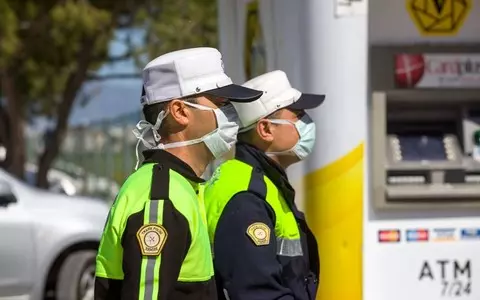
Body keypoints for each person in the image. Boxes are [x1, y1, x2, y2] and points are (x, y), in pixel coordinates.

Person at [94, 47, 262, 300]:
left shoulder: (181, 186)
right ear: (180, 111)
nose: (231, 114)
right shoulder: (161, 198)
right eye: (220, 103)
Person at [203, 70, 324, 300]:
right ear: (266, 129)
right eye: (298, 115)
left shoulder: (264, 183)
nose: (307, 122)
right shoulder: (246, 197)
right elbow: (259, 293)